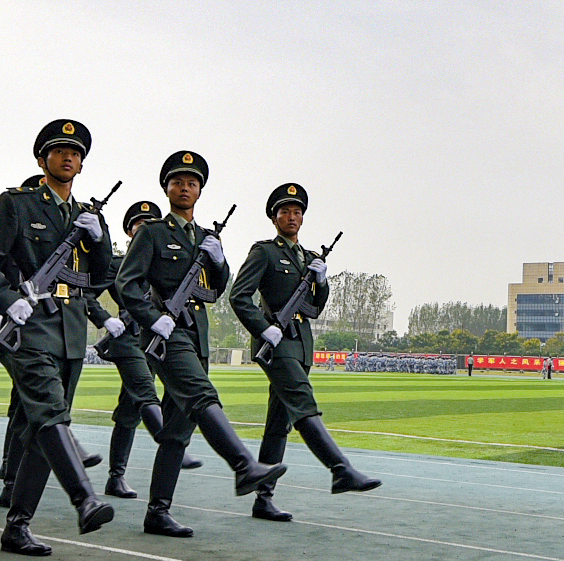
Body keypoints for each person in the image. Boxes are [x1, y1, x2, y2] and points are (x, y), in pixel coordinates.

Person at [0, 119, 120, 554]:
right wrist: (5, 300)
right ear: (42, 160)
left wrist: (99, 238)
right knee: (51, 415)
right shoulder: (17, 204)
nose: (68, 157)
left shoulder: (86, 216)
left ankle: (17, 526)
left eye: (75, 153)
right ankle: (84, 498)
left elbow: (101, 277)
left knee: (39, 429)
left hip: (71, 333)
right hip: (31, 326)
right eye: (59, 151)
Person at [113, 150, 285, 537]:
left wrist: (219, 261)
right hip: (165, 333)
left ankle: (157, 512)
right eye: (177, 182)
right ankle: (244, 466)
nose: (184, 188)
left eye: (192, 183)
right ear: (167, 188)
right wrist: (151, 317)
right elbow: (128, 283)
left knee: (177, 427)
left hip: (197, 334)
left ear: (200, 191)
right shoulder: (153, 233)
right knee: (202, 394)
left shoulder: (204, 237)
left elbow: (216, 290)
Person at [228, 182, 380, 521]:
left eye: (297, 212)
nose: (292, 217)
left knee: (278, 423)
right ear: (274, 217)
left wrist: (322, 282)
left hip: (301, 344)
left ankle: (263, 499)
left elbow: (314, 306)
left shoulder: (310, 259)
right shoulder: (264, 252)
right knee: (302, 402)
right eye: (285, 212)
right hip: (276, 343)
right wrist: (262, 326)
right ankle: (340, 469)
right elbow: (239, 296)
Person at [96, 199, 194, 497]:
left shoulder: (168, 260)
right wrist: (106, 320)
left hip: (159, 337)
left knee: (134, 406)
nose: (145, 229)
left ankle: (117, 477)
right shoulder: (117, 263)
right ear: (129, 232)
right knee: (140, 397)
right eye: (139, 225)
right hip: (129, 337)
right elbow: (86, 293)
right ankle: (157, 446)